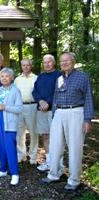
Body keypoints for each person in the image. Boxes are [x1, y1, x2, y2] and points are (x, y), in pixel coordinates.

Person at [41, 52, 94, 191]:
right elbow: (56, 96)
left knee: (75, 147)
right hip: (59, 112)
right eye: (62, 61)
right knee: (55, 145)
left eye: (67, 61)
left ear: (73, 62)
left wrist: (87, 119)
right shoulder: (59, 78)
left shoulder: (82, 77)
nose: (64, 63)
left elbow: (88, 98)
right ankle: (54, 174)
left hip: (76, 112)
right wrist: (54, 114)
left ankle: (74, 180)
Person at [0, 68, 23, 186]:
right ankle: (2, 170)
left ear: (11, 78)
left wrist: (6, 107)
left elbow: (19, 108)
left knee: (10, 148)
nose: (4, 78)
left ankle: (14, 173)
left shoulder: (15, 91)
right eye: (2, 76)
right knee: (1, 147)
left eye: (7, 76)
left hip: (9, 123)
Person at [32, 54, 63, 172]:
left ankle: (58, 165)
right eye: (45, 62)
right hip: (41, 111)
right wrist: (40, 101)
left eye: (49, 62)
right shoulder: (41, 76)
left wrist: (48, 103)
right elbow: (35, 91)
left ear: (54, 63)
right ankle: (49, 162)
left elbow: (59, 92)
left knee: (57, 137)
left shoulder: (59, 75)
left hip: (54, 111)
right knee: (45, 136)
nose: (47, 64)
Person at [14, 59, 38, 164]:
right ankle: (21, 154)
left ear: (31, 66)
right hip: (19, 107)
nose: (26, 67)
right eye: (23, 65)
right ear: (21, 66)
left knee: (33, 132)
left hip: (32, 106)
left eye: (28, 65)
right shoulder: (17, 79)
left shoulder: (36, 78)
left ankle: (33, 156)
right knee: (19, 132)